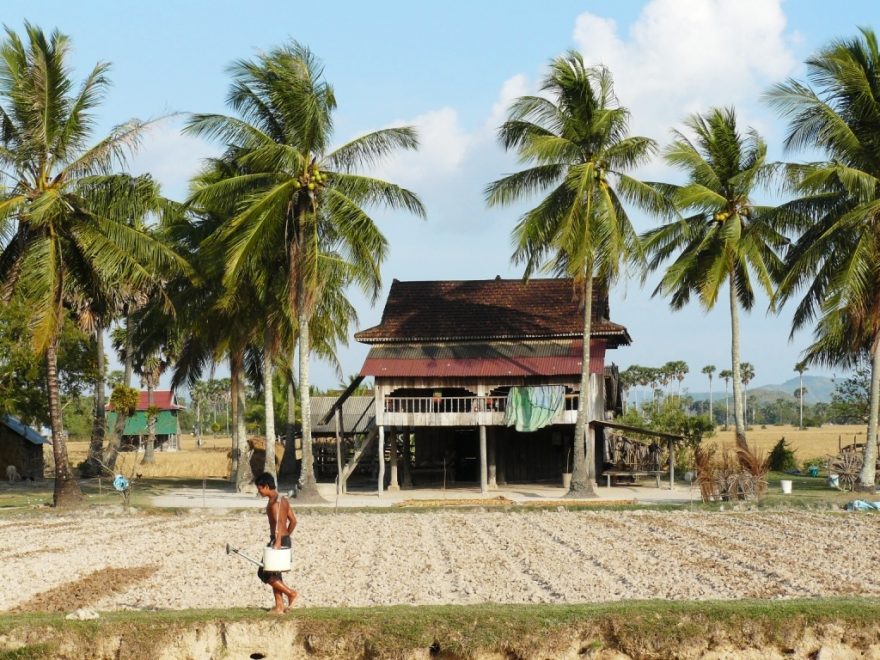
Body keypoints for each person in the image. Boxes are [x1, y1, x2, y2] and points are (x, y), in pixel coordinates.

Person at [255, 471, 298, 613]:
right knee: (275, 574)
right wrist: (287, 537)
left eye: (260, 488)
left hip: (278, 540)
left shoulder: (275, 503)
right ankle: (279, 606)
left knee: (264, 572)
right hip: (283, 539)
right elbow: (293, 521)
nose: (259, 491)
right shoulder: (283, 499)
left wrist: (279, 541)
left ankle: (291, 593)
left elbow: (280, 523)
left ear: (266, 486)